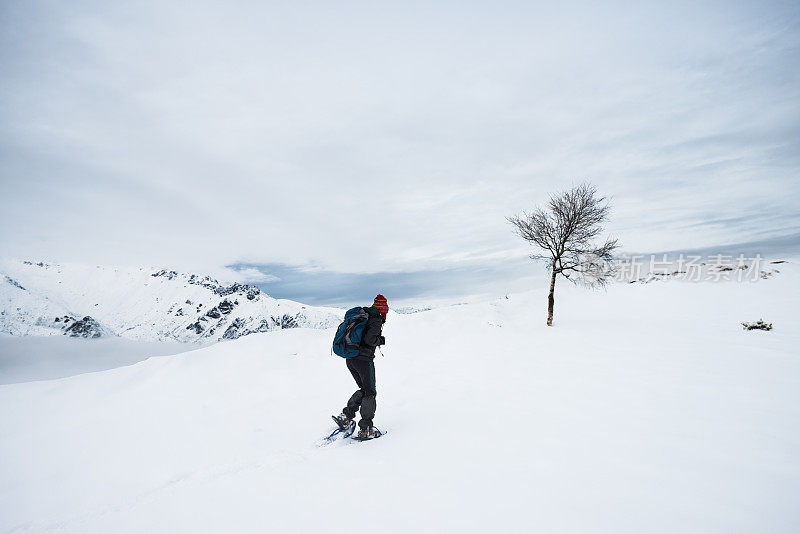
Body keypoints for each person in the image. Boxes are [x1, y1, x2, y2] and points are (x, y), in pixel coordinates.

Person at [332, 294, 388, 440]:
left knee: (364, 390)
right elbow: (370, 339)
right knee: (370, 393)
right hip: (363, 360)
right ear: (383, 309)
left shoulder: (364, 315)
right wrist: (380, 340)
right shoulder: (375, 319)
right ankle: (366, 429)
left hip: (350, 359)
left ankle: (346, 417)